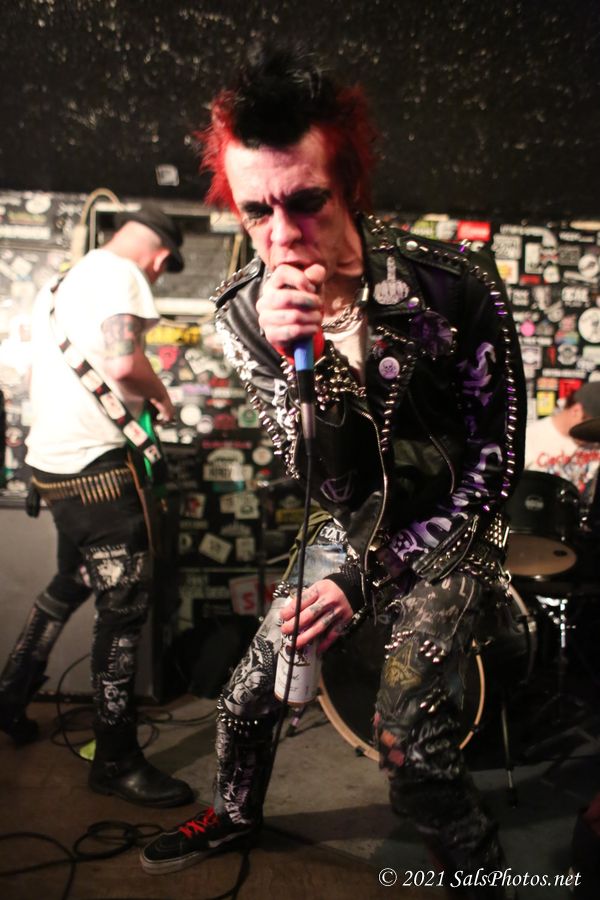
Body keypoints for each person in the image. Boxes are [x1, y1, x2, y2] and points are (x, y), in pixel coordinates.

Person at [140, 46, 527, 888]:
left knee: (408, 739)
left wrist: (371, 575)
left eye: (305, 201)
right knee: (248, 697)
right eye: (256, 211)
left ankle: (479, 875)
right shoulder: (245, 313)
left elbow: (497, 467)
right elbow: (324, 482)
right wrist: (301, 367)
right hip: (343, 526)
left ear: (348, 184)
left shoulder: (452, 284)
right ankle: (234, 814)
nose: (281, 236)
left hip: (452, 526)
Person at [0, 203, 194, 809]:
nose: (155, 276)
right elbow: (124, 364)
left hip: (52, 468)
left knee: (74, 579)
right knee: (124, 608)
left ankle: (11, 693)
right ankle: (115, 759)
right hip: (99, 475)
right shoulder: (122, 274)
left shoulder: (63, 283)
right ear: (159, 256)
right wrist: (161, 397)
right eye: (161, 269)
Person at [525, 381, 600, 504]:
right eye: (593, 426)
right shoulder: (531, 437)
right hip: (542, 509)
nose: (595, 432)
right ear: (576, 411)